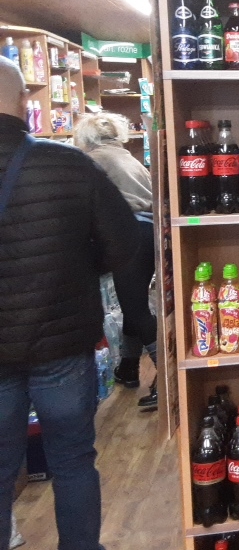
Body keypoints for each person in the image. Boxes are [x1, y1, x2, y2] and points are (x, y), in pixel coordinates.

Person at [0, 56, 139, 550]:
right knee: (73, 460)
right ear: (25, 102)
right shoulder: (67, 164)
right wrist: (79, 267)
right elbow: (123, 243)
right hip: (61, 340)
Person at [75, 113, 158, 410]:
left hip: (127, 234)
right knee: (132, 302)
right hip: (149, 232)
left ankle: (167, 377)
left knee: (135, 309)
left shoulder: (92, 160)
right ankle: (128, 366)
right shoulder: (127, 157)